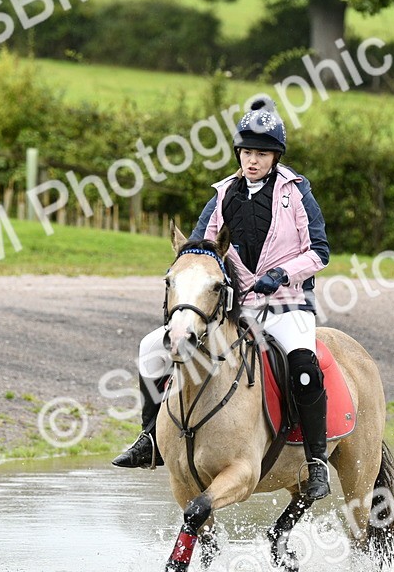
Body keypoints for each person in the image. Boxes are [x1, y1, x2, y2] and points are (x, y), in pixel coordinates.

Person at [112, 97, 333, 502]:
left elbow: (320, 251)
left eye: (262, 153)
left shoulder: (296, 192)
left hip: (287, 303)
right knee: (150, 347)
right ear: (239, 153)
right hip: (235, 305)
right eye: (247, 152)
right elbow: (200, 250)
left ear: (275, 156)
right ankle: (149, 438)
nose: (253, 160)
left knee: (303, 364)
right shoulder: (223, 194)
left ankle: (316, 461)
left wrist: (282, 274)